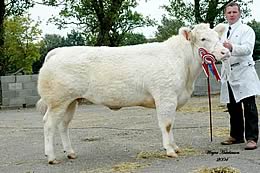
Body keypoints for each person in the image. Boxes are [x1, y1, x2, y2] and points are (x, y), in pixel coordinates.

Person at [220, 1, 260, 150]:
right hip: (229, 72)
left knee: (249, 106)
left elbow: (248, 49)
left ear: (239, 13)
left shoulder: (246, 30)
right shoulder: (222, 31)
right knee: (232, 106)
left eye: (234, 12)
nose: (231, 15)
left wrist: (232, 47)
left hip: (243, 71)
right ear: (225, 14)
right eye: (229, 12)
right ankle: (236, 135)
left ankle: (251, 138)